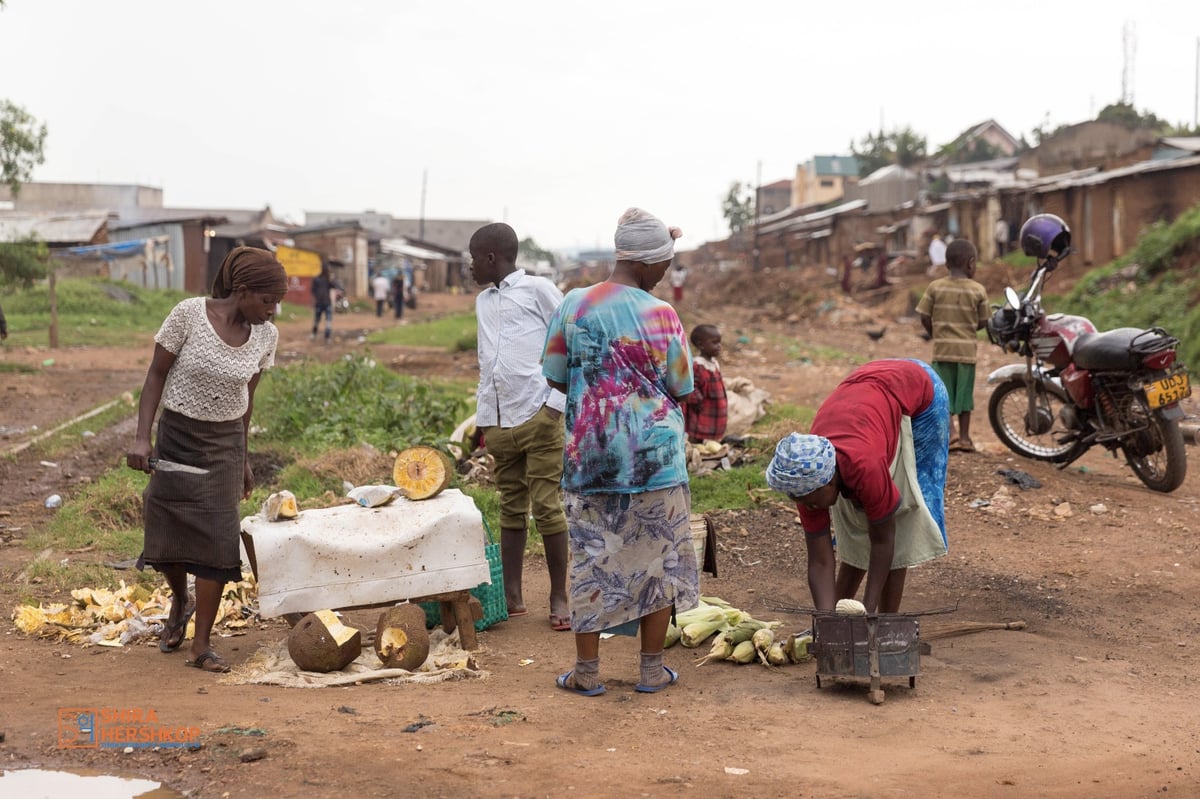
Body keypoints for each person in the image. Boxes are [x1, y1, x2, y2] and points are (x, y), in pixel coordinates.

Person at [542, 207, 699, 696]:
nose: (665, 274)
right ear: (650, 263)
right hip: (655, 460)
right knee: (659, 563)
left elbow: (555, 375)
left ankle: (587, 673)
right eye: (666, 266)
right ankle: (651, 671)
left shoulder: (574, 304)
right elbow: (682, 385)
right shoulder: (662, 314)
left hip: (592, 458)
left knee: (591, 561)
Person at [126, 246, 287, 673]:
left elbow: (247, 400)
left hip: (224, 446)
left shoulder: (266, 336)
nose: (274, 310)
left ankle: (201, 644)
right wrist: (142, 438)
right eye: (267, 300)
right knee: (168, 533)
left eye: (278, 302)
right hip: (177, 437)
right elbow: (155, 375)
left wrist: (244, 456)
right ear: (243, 290)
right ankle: (181, 599)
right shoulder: (189, 315)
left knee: (219, 540)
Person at [765, 359, 950, 614]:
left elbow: (885, 540)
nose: (808, 506)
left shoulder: (864, 467)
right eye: (802, 500)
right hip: (867, 391)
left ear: (830, 480)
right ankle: (838, 614)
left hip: (918, 390)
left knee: (903, 509)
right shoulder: (803, 479)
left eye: (811, 500)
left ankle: (887, 619)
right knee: (859, 517)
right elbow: (819, 561)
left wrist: (868, 613)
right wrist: (826, 619)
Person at [468, 222, 570, 631]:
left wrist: (556, 406)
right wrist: (483, 420)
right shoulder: (482, 301)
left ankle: (559, 594)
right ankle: (512, 594)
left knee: (546, 505)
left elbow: (570, 340)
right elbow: (485, 360)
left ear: (491, 257)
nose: (469, 267)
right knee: (511, 503)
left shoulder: (539, 290)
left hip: (537, 414)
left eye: (473, 259)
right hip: (498, 420)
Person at [916, 238, 990, 452]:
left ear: (947, 264)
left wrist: (935, 333)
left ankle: (952, 435)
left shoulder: (935, 287)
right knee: (965, 395)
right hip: (966, 352)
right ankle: (965, 438)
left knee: (943, 394)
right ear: (971, 263)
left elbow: (924, 316)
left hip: (943, 351)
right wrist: (968, 328)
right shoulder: (978, 290)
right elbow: (985, 320)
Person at [684, 324, 727, 444]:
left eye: (719, 342)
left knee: (710, 438)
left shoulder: (713, 363)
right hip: (702, 411)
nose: (719, 346)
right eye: (714, 343)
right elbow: (692, 386)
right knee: (697, 436)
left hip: (713, 407)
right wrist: (698, 401)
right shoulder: (698, 365)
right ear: (701, 345)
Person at [310, 261, 336, 343]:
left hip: (321, 302)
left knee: (318, 320)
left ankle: (315, 334)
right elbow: (334, 286)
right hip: (325, 302)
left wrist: (317, 297)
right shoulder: (325, 279)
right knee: (327, 320)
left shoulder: (319, 279)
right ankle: (326, 337)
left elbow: (313, 290)